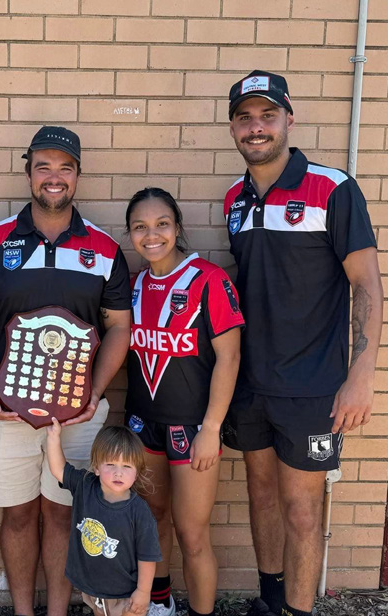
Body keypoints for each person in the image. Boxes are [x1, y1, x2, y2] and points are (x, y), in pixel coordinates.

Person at [221, 70, 384, 616]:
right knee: (261, 497)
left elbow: (367, 285)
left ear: (289, 119)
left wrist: (361, 374)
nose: (256, 127)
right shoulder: (234, 200)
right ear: (233, 128)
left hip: (313, 387)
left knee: (302, 512)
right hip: (250, 383)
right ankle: (270, 603)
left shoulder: (332, 188)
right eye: (245, 117)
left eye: (267, 115)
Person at [0, 126, 132, 616]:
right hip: (7, 410)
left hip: (78, 414)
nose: (54, 177)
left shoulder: (103, 248)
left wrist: (94, 394)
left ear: (78, 175)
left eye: (65, 168)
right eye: (43, 167)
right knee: (17, 516)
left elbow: (119, 326)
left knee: (62, 514)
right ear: (28, 172)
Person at [124, 188, 244, 616]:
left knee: (192, 534)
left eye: (162, 224)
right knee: (151, 520)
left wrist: (211, 428)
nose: (151, 235)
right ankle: (160, 604)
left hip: (193, 427)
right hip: (142, 424)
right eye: (140, 226)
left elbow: (230, 357)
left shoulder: (208, 279)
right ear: (130, 233)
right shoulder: (134, 284)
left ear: (177, 227)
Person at [46, 418, 161, 616]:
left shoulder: (139, 512)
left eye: (127, 466)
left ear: (137, 472)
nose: (118, 473)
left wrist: (143, 591)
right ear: (97, 467)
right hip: (93, 588)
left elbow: (147, 557)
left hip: (126, 594)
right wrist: (53, 437)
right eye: (110, 464)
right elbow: (59, 470)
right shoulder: (84, 486)